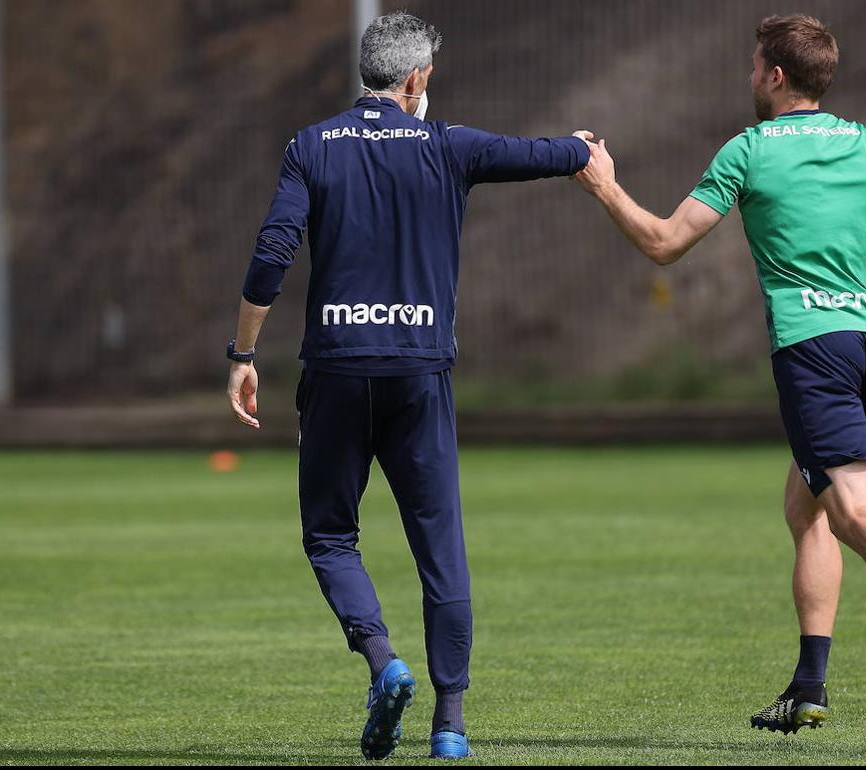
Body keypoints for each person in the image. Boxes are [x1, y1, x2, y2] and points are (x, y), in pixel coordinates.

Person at [573, 14, 866, 734]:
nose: (748, 76)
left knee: (852, 511)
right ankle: (807, 686)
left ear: (774, 75)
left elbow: (665, 242)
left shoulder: (750, 150)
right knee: (808, 508)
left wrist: (604, 186)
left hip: (812, 350)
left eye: (752, 66)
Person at [223, 11, 591, 761]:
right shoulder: (448, 145)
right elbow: (540, 154)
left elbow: (273, 250)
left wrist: (243, 353)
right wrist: (583, 149)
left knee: (331, 535)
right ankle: (450, 724)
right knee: (440, 548)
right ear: (417, 77)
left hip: (336, 371)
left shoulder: (310, 145)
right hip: (419, 374)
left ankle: (382, 660)